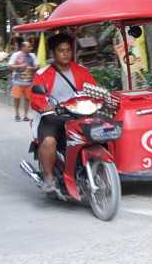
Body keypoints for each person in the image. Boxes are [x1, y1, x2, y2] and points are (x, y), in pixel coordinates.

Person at [30, 33, 96, 193]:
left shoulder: (82, 71)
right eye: (61, 50)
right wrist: (45, 106)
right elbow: (36, 96)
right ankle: (49, 177)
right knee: (49, 142)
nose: (65, 53)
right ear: (53, 53)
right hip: (52, 118)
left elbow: (93, 90)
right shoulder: (43, 74)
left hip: (78, 115)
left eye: (68, 50)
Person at [8, 40, 38, 122]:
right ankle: (17, 114)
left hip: (29, 82)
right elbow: (9, 66)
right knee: (17, 98)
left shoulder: (32, 56)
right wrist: (20, 66)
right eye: (28, 47)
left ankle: (25, 115)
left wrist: (31, 68)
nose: (30, 48)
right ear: (23, 47)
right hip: (17, 81)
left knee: (27, 99)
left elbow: (37, 66)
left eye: (30, 47)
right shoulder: (16, 55)